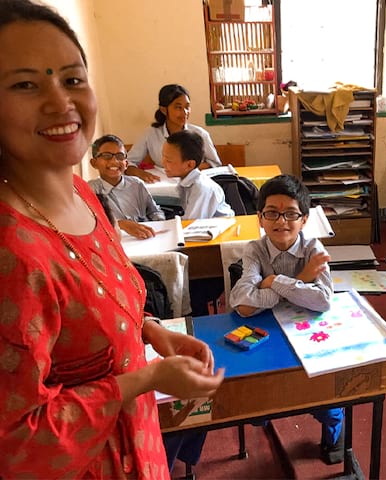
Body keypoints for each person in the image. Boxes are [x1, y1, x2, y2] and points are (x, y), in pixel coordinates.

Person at [0, 2, 224, 478]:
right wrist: (144, 379)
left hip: (136, 443)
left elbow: (99, 298)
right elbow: (15, 444)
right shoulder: (13, 256)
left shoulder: (81, 193)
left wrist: (151, 332)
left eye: (73, 78)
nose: (61, 102)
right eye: (25, 84)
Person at [229, 174, 345, 465]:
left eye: (291, 214)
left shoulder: (313, 249)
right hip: (265, 331)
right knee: (260, 398)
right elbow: (242, 303)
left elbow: (323, 301)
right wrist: (300, 282)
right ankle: (266, 413)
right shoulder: (254, 249)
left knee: (328, 396)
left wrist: (273, 282)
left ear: (304, 219)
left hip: (308, 331)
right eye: (272, 213)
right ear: (260, 218)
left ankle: (334, 434)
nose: (281, 222)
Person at [126, 84, 222, 183]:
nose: (185, 112)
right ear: (163, 110)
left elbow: (215, 164)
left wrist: (185, 168)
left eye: (187, 107)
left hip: (196, 186)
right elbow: (128, 163)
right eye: (178, 107)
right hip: (163, 186)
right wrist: (141, 173)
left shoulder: (200, 134)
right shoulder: (150, 134)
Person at [88, 133, 166, 239]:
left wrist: (159, 224)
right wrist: (120, 224)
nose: (114, 161)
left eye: (120, 156)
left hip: (144, 239)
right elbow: (90, 224)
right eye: (106, 156)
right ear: (94, 163)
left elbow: (154, 211)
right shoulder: (89, 190)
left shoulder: (136, 184)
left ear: (126, 164)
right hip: (115, 244)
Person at [162, 129, 234, 219]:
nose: (163, 163)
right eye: (163, 157)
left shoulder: (201, 188)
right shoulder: (186, 182)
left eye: (168, 160)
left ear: (189, 164)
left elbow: (190, 222)